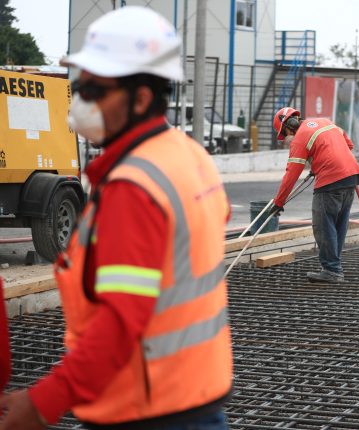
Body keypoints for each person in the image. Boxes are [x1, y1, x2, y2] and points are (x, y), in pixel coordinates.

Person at [0, 7, 233, 429]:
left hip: (145, 406)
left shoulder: (133, 186)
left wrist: (42, 403)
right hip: (195, 390)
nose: (81, 98)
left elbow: (119, 323)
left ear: (140, 98)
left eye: (94, 88)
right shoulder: (188, 156)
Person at [271, 107, 359, 283]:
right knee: (338, 224)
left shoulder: (299, 139)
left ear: (287, 128)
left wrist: (279, 202)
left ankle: (332, 270)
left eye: (285, 133)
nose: (288, 136)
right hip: (351, 177)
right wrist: (319, 163)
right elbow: (348, 144)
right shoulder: (325, 122)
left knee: (323, 225)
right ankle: (334, 267)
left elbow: (292, 174)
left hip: (330, 181)